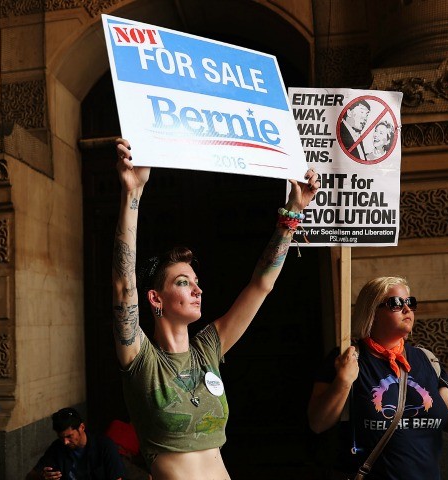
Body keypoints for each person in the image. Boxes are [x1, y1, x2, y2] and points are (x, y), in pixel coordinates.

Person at [112, 138, 319, 480]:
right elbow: (123, 288)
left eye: (195, 281)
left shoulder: (207, 350)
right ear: (155, 298)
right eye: (182, 282)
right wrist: (132, 194)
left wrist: (293, 212)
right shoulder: (141, 360)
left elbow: (260, 285)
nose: (197, 289)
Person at [307, 276, 448, 479]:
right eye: (395, 303)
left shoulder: (427, 360)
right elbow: (318, 423)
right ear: (372, 312)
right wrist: (343, 381)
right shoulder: (347, 358)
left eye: (410, 302)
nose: (407, 309)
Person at [26, 408, 125, 480]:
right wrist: (42, 477)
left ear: (81, 427)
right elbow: (30, 476)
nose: (65, 442)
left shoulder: (104, 446)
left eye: (69, 436)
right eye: (61, 438)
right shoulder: (57, 448)